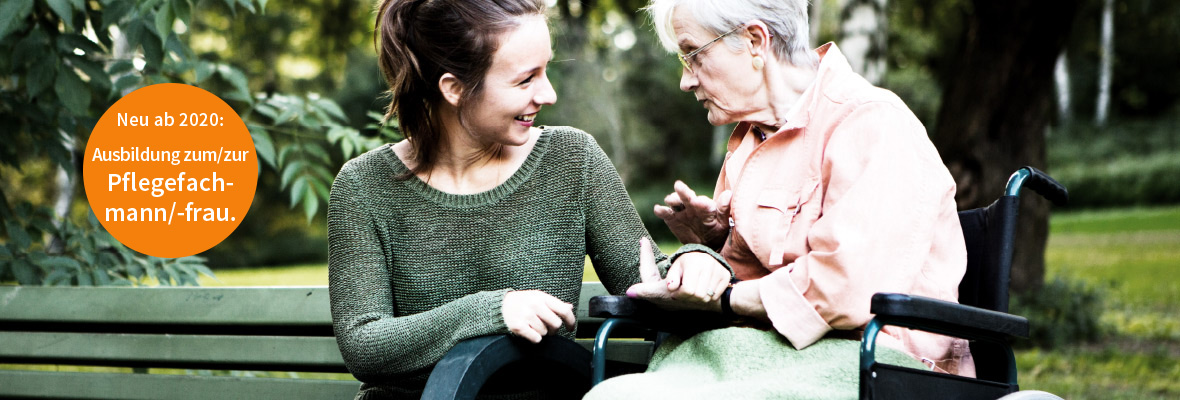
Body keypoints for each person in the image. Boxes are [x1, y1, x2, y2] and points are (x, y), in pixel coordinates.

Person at [588, 0, 972, 397]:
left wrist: (723, 300)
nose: (686, 80)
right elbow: (750, 276)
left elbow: (842, 292)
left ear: (755, 41)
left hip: (874, 363)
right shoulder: (750, 143)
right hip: (763, 354)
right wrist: (710, 247)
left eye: (693, 55)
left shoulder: (874, 122)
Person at [327, 0, 673, 398]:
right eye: (526, 80)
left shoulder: (572, 160)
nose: (548, 94)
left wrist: (705, 253)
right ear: (454, 89)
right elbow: (363, 344)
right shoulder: (363, 186)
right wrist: (494, 311)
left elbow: (649, 285)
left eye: (547, 71)